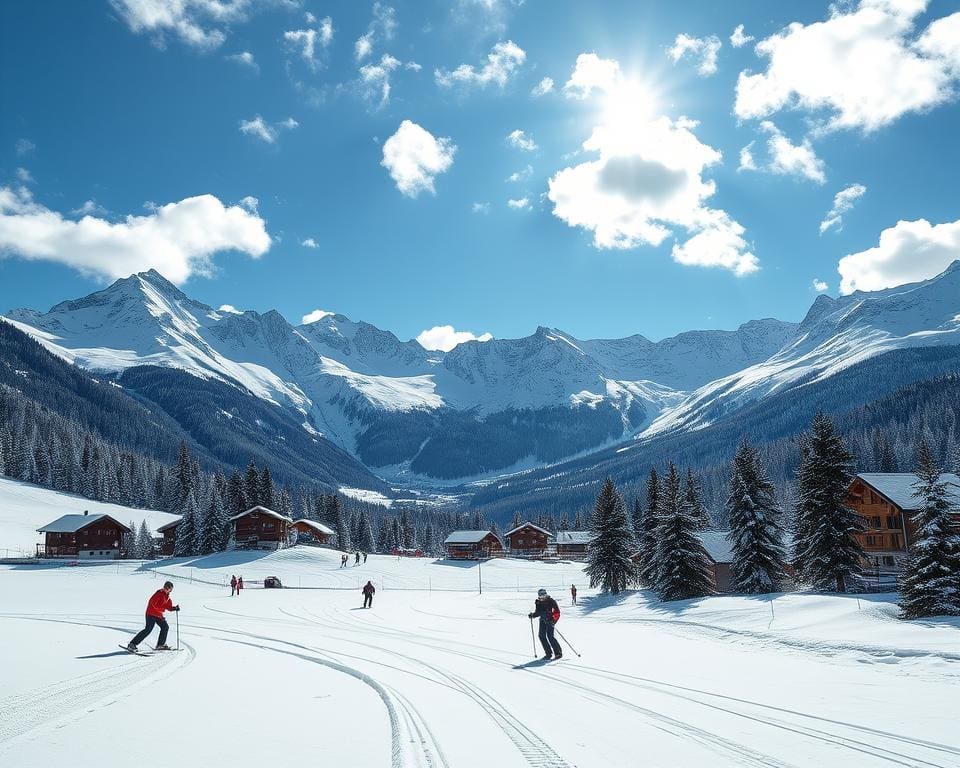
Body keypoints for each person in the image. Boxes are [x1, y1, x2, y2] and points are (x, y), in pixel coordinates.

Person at [127, 581, 179, 652]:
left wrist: (174, 608)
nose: (166, 589)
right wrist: (163, 608)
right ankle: (132, 644)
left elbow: (169, 607)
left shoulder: (168, 598)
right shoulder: (159, 593)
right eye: (165, 587)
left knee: (165, 627)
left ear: (170, 590)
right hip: (151, 613)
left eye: (168, 588)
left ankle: (160, 645)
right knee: (148, 629)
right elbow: (154, 604)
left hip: (158, 615)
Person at [528, 588, 562, 660]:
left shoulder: (551, 601)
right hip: (542, 621)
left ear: (546, 594)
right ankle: (548, 653)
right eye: (541, 596)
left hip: (550, 620)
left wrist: (553, 620)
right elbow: (538, 612)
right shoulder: (538, 602)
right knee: (541, 636)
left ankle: (558, 653)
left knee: (550, 636)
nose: (542, 597)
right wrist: (533, 615)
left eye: (544, 595)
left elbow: (557, 612)